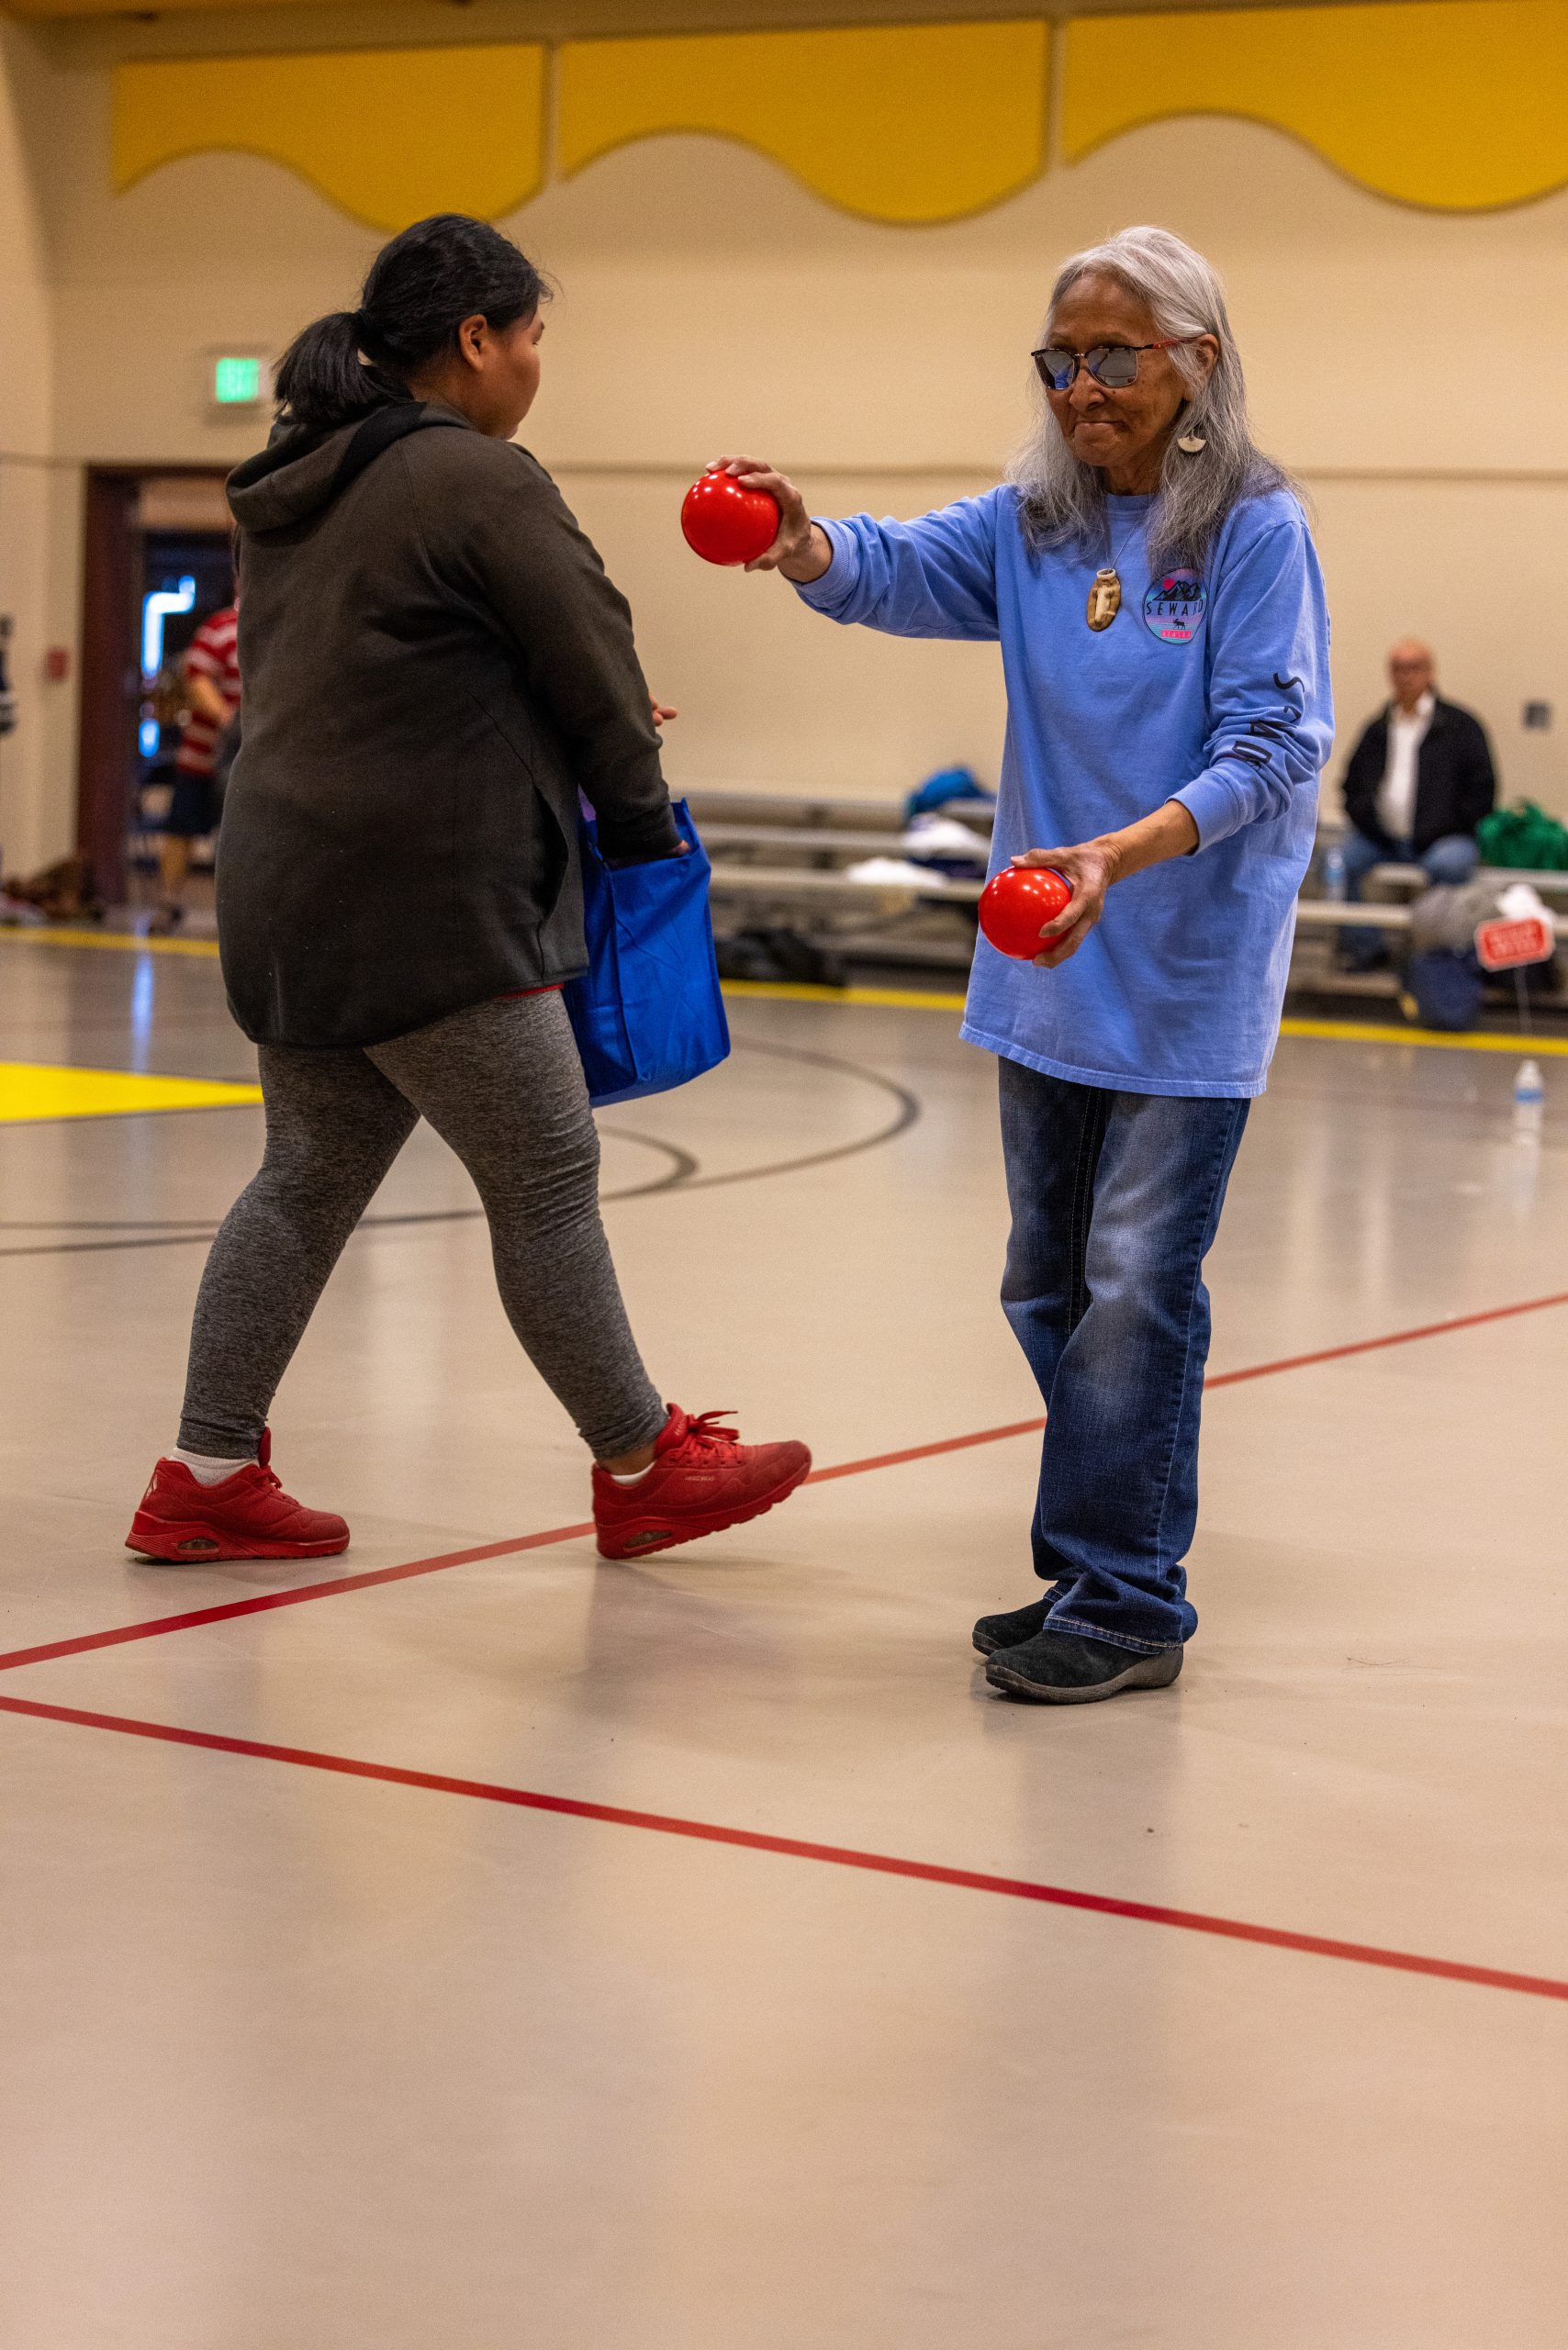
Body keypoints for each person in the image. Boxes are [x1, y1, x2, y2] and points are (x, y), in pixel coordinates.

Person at [127, 212, 809, 1567]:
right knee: (547, 1173)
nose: (540, 364)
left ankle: (206, 1473)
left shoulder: (296, 480)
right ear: (479, 337)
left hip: (287, 890)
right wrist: (642, 831)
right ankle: (641, 1463)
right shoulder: (476, 477)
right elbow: (595, 655)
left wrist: (552, 731)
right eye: (536, 336)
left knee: (307, 1174)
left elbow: (398, 681)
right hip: (428, 899)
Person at [722, 224, 1331, 1704]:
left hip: (1180, 972)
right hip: (1047, 961)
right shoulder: (1036, 523)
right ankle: (1091, 1569)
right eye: (1060, 360)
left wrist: (1118, 855)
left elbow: (1276, 744)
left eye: (1112, 356)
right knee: (1048, 1285)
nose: (1080, 388)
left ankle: (1126, 1599)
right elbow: (888, 566)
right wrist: (798, 539)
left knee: (1136, 1283)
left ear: (1196, 362)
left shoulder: (1253, 528)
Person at [1336, 639, 1496, 969]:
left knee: (1450, 865)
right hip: (1384, 839)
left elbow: (1483, 789)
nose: (1405, 676)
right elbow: (1352, 786)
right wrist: (1372, 825)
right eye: (1397, 668)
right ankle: (1365, 949)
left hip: (1444, 839)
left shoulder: (1461, 726)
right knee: (1342, 860)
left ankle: (1435, 956)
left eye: (1413, 668)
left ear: (1430, 672)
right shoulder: (1378, 728)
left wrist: (1447, 826)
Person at [149, 599, 240, 934]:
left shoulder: (280, 624)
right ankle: (168, 902)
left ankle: (236, 913)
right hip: (203, 754)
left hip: (248, 761)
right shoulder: (220, 628)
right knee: (181, 827)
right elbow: (196, 677)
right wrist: (229, 721)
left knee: (239, 836)